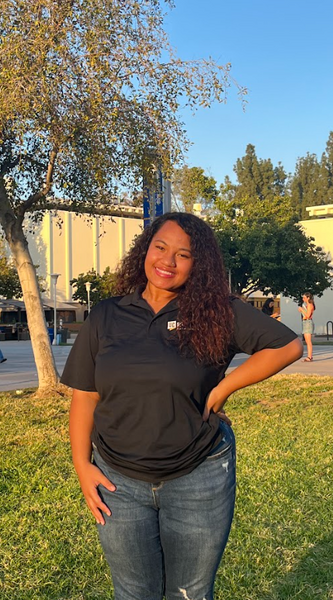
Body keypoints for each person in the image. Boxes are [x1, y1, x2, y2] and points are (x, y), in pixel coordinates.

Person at [61, 212, 303, 600]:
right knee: (133, 592)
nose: (167, 261)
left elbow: (289, 346)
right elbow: (86, 396)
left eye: (183, 254)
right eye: (160, 247)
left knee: (189, 593)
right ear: (145, 249)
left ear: (199, 264)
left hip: (199, 477)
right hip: (117, 481)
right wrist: (81, 465)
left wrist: (223, 388)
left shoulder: (216, 312)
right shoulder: (107, 315)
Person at [298, 292, 316, 362]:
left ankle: (309, 356)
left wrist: (302, 310)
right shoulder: (306, 305)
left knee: (308, 341)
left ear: (308, 298)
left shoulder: (310, 305)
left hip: (308, 322)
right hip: (305, 322)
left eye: (304, 298)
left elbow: (308, 315)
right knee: (306, 340)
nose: (303, 299)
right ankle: (309, 356)